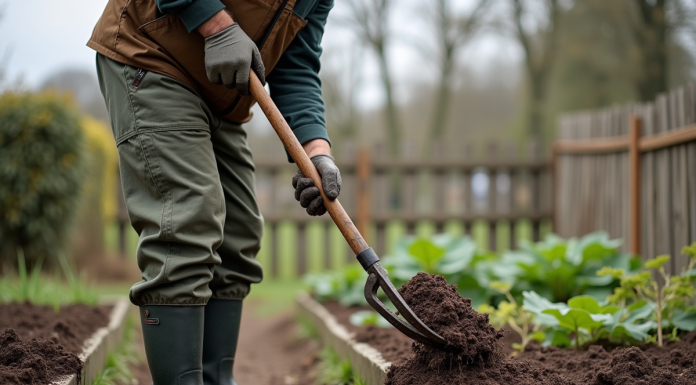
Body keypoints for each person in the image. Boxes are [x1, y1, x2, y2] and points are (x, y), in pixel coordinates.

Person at [88, 0, 340, 384]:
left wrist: (317, 153)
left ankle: (216, 378)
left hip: (222, 91)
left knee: (238, 235)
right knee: (188, 222)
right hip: (152, 55)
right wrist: (216, 25)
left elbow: (296, 64)